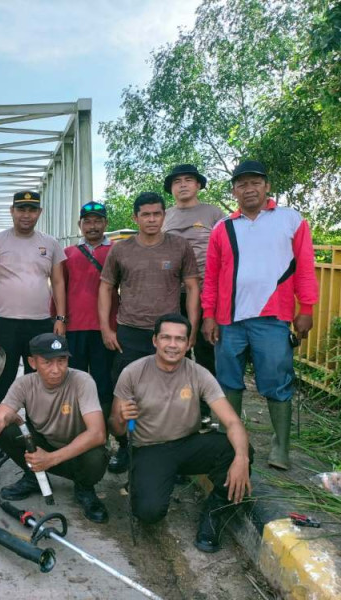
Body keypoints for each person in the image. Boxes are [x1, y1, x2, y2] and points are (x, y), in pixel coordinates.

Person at [202, 160, 318, 469]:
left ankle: (280, 447)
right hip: (228, 319)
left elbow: (305, 268)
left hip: (273, 316)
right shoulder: (222, 227)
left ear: (266, 185)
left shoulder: (290, 220)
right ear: (234, 191)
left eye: (255, 182)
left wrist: (306, 308)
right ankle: (231, 439)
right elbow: (211, 277)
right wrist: (208, 315)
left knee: (277, 380)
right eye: (242, 184)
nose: (248, 189)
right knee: (228, 381)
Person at [109, 313, 253, 553]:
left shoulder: (199, 374)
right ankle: (143, 481)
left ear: (188, 343)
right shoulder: (133, 372)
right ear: (155, 340)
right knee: (149, 512)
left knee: (238, 448)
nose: (173, 345)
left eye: (179, 339)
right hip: (150, 448)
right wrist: (121, 417)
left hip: (189, 444)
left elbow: (232, 422)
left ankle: (214, 515)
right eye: (166, 338)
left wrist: (242, 458)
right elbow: (115, 427)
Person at [99, 192, 199, 474]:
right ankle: (125, 445)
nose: (152, 219)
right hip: (130, 331)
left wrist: (190, 328)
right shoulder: (121, 250)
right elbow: (106, 287)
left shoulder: (179, 246)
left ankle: (174, 453)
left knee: (174, 394)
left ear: (164, 215)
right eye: (146, 214)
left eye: (157, 213)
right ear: (136, 217)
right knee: (126, 390)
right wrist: (107, 327)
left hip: (170, 334)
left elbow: (192, 287)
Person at [0, 333, 109, 523]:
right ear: (32, 362)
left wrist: (51, 458)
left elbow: (97, 433)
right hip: (42, 445)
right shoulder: (24, 384)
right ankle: (34, 476)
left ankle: (85, 487)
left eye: (61, 361)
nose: (56, 369)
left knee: (96, 456)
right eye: (47, 362)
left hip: (74, 452)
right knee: (4, 429)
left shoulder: (82, 380)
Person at [0, 191, 67, 459]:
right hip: (4, 322)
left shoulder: (51, 243)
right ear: (12, 210)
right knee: (2, 381)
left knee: (40, 381)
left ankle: (40, 435)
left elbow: (58, 282)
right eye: (21, 209)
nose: (26, 214)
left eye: (32, 209)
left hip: (40, 324)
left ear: (40, 213)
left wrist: (60, 318)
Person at [162, 164, 225, 408]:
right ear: (171, 189)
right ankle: (180, 405)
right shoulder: (164, 216)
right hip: (172, 293)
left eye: (189, 180)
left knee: (207, 347)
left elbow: (226, 252)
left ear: (198, 185)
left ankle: (210, 408)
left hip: (207, 292)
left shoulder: (213, 213)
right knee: (175, 348)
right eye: (177, 182)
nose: (183, 185)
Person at [61, 201, 118, 423]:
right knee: (75, 379)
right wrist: (59, 320)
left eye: (97, 221)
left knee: (104, 380)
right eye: (87, 221)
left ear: (105, 223)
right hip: (74, 327)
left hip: (106, 328)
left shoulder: (117, 250)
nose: (92, 226)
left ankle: (102, 431)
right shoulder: (68, 253)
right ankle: (77, 428)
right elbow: (59, 289)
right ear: (79, 224)